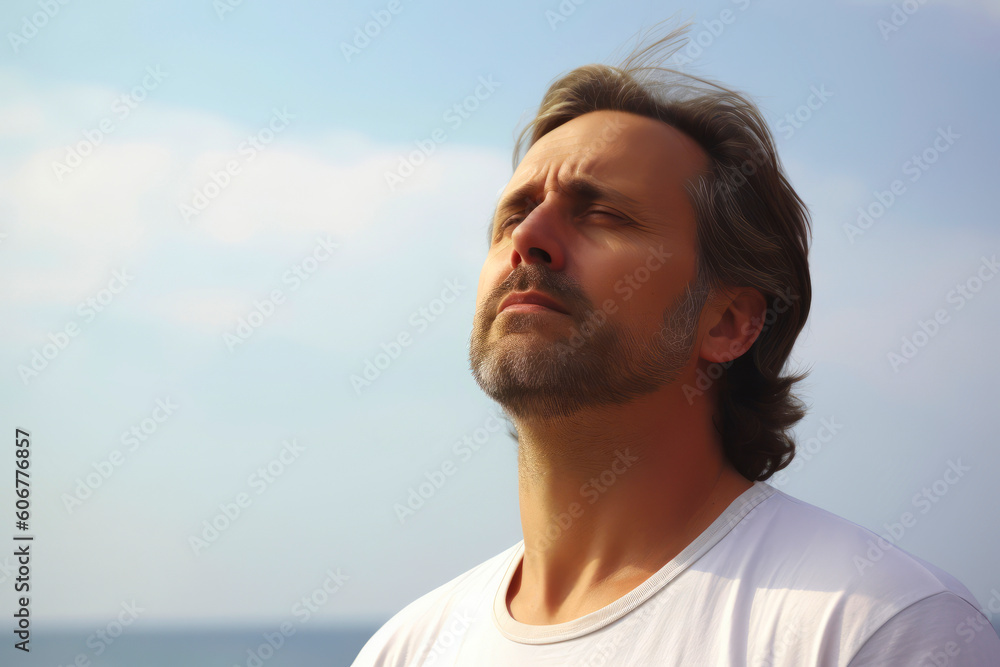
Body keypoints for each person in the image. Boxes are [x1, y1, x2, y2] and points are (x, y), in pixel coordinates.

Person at [351, 21, 1000, 666]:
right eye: (513, 214)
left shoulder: (872, 625)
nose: (529, 238)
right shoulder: (407, 648)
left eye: (602, 213)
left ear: (727, 323)